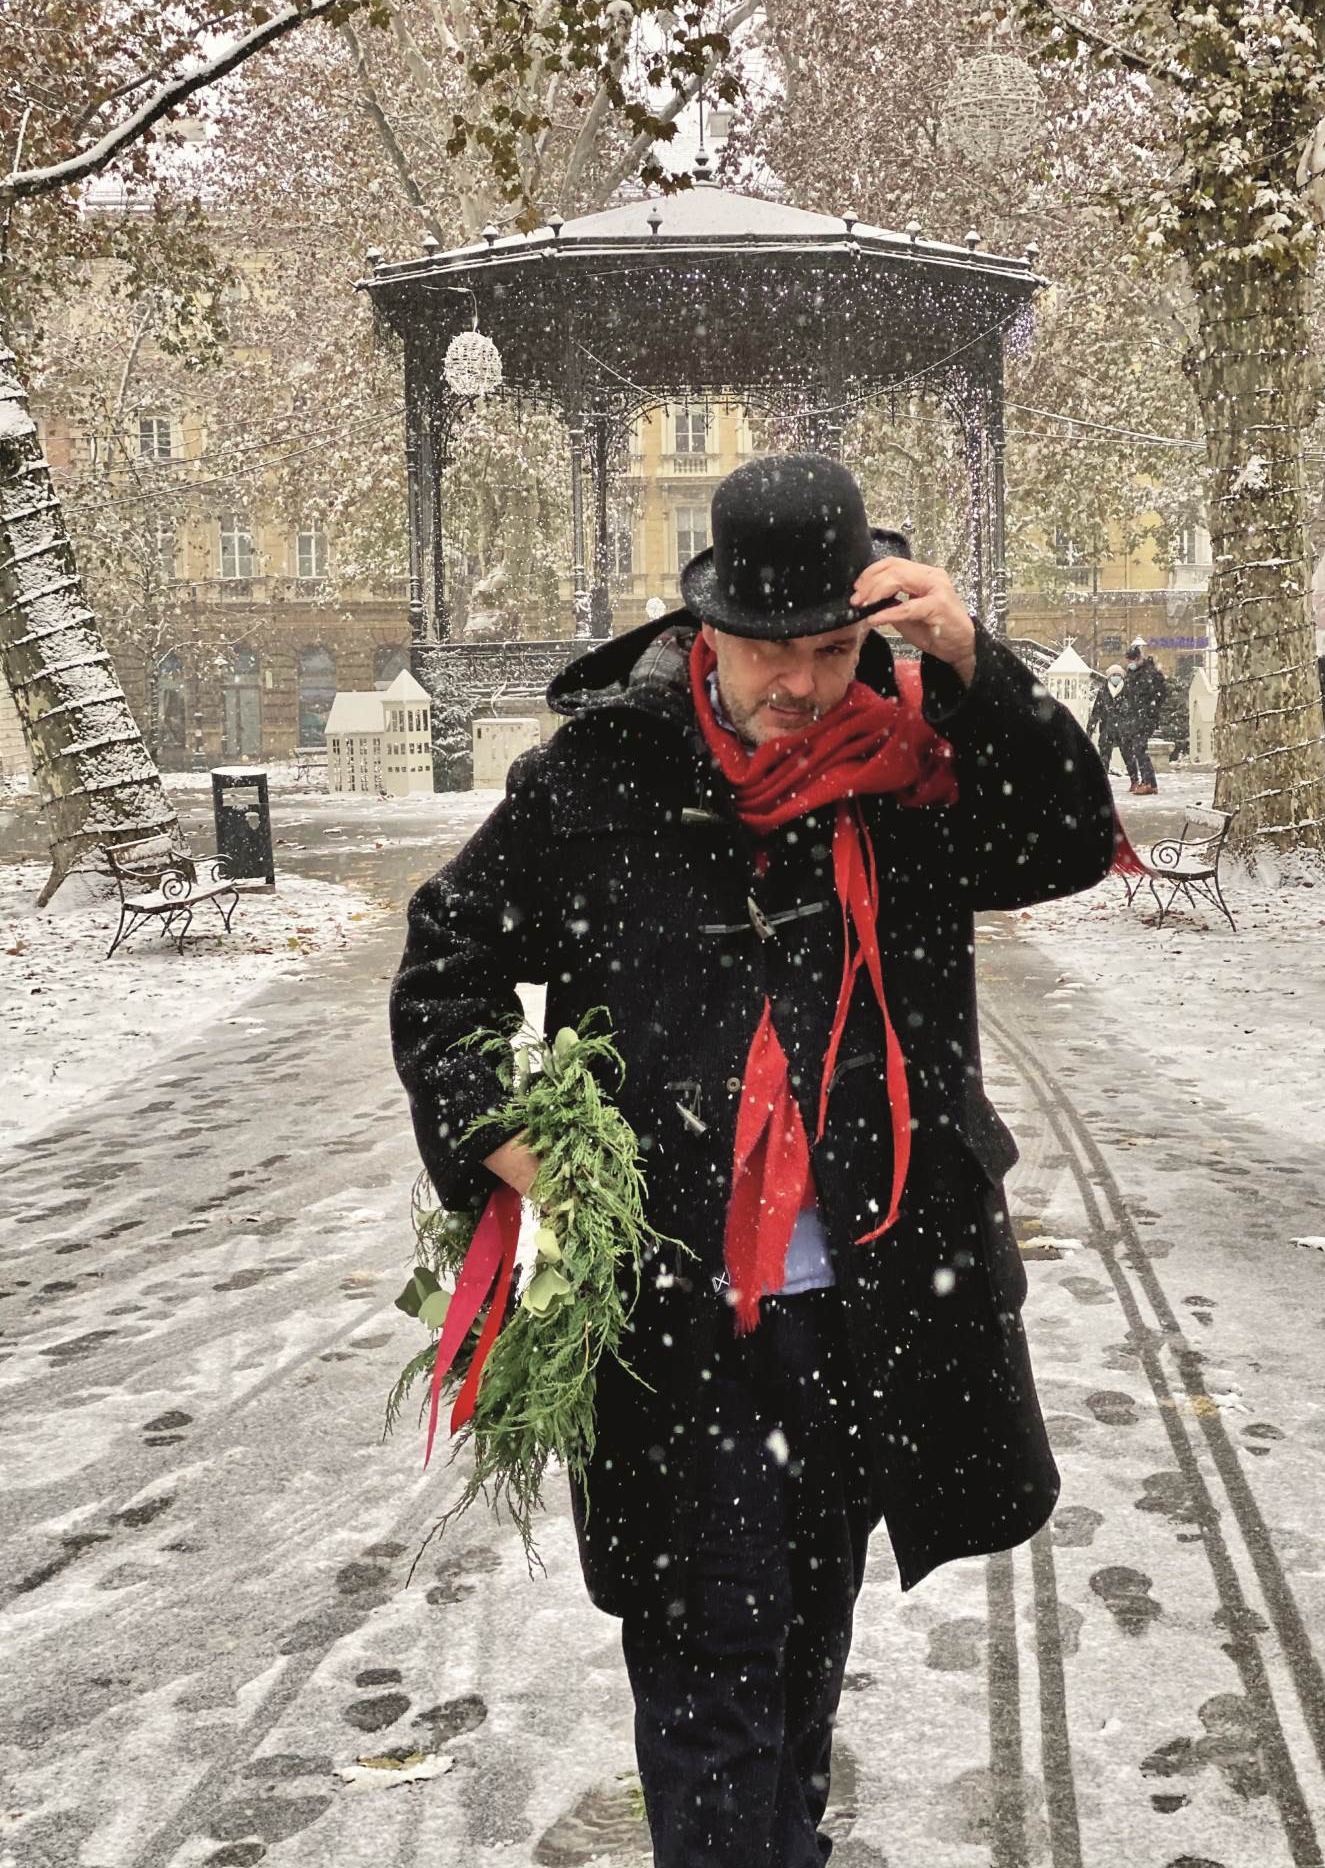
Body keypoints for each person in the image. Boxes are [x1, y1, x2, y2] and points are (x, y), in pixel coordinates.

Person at [391, 454, 1116, 1868]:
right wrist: (499, 1128)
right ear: (702, 627)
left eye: (833, 652)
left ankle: (787, 1837)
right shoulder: (603, 770)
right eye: (768, 653)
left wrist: (976, 661)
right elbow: (448, 963)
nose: (799, 687)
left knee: (800, 1624)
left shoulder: (918, 768)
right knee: (708, 1653)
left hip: (876, 1293)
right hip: (673, 1310)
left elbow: (1069, 841)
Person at [1121, 639, 1166, 794]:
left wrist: (1150, 710)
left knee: (1139, 748)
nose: (1131, 663)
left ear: (1139, 658)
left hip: (1145, 717)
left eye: (1133, 660)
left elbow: (1158, 693)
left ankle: (1149, 782)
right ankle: (1146, 781)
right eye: (1129, 660)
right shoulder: (1133, 674)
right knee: (1136, 748)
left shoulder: (1149, 673)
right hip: (1136, 716)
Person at [1087, 663, 1135, 784]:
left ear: (1122, 676)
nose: (1115, 677)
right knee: (1104, 757)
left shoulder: (1128, 691)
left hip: (1123, 729)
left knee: (1128, 756)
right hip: (1106, 728)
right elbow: (1096, 712)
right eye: (1113, 675)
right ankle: (1103, 783)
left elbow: (1133, 712)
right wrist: (1089, 730)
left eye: (1118, 675)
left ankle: (1134, 781)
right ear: (1109, 676)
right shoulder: (1103, 692)